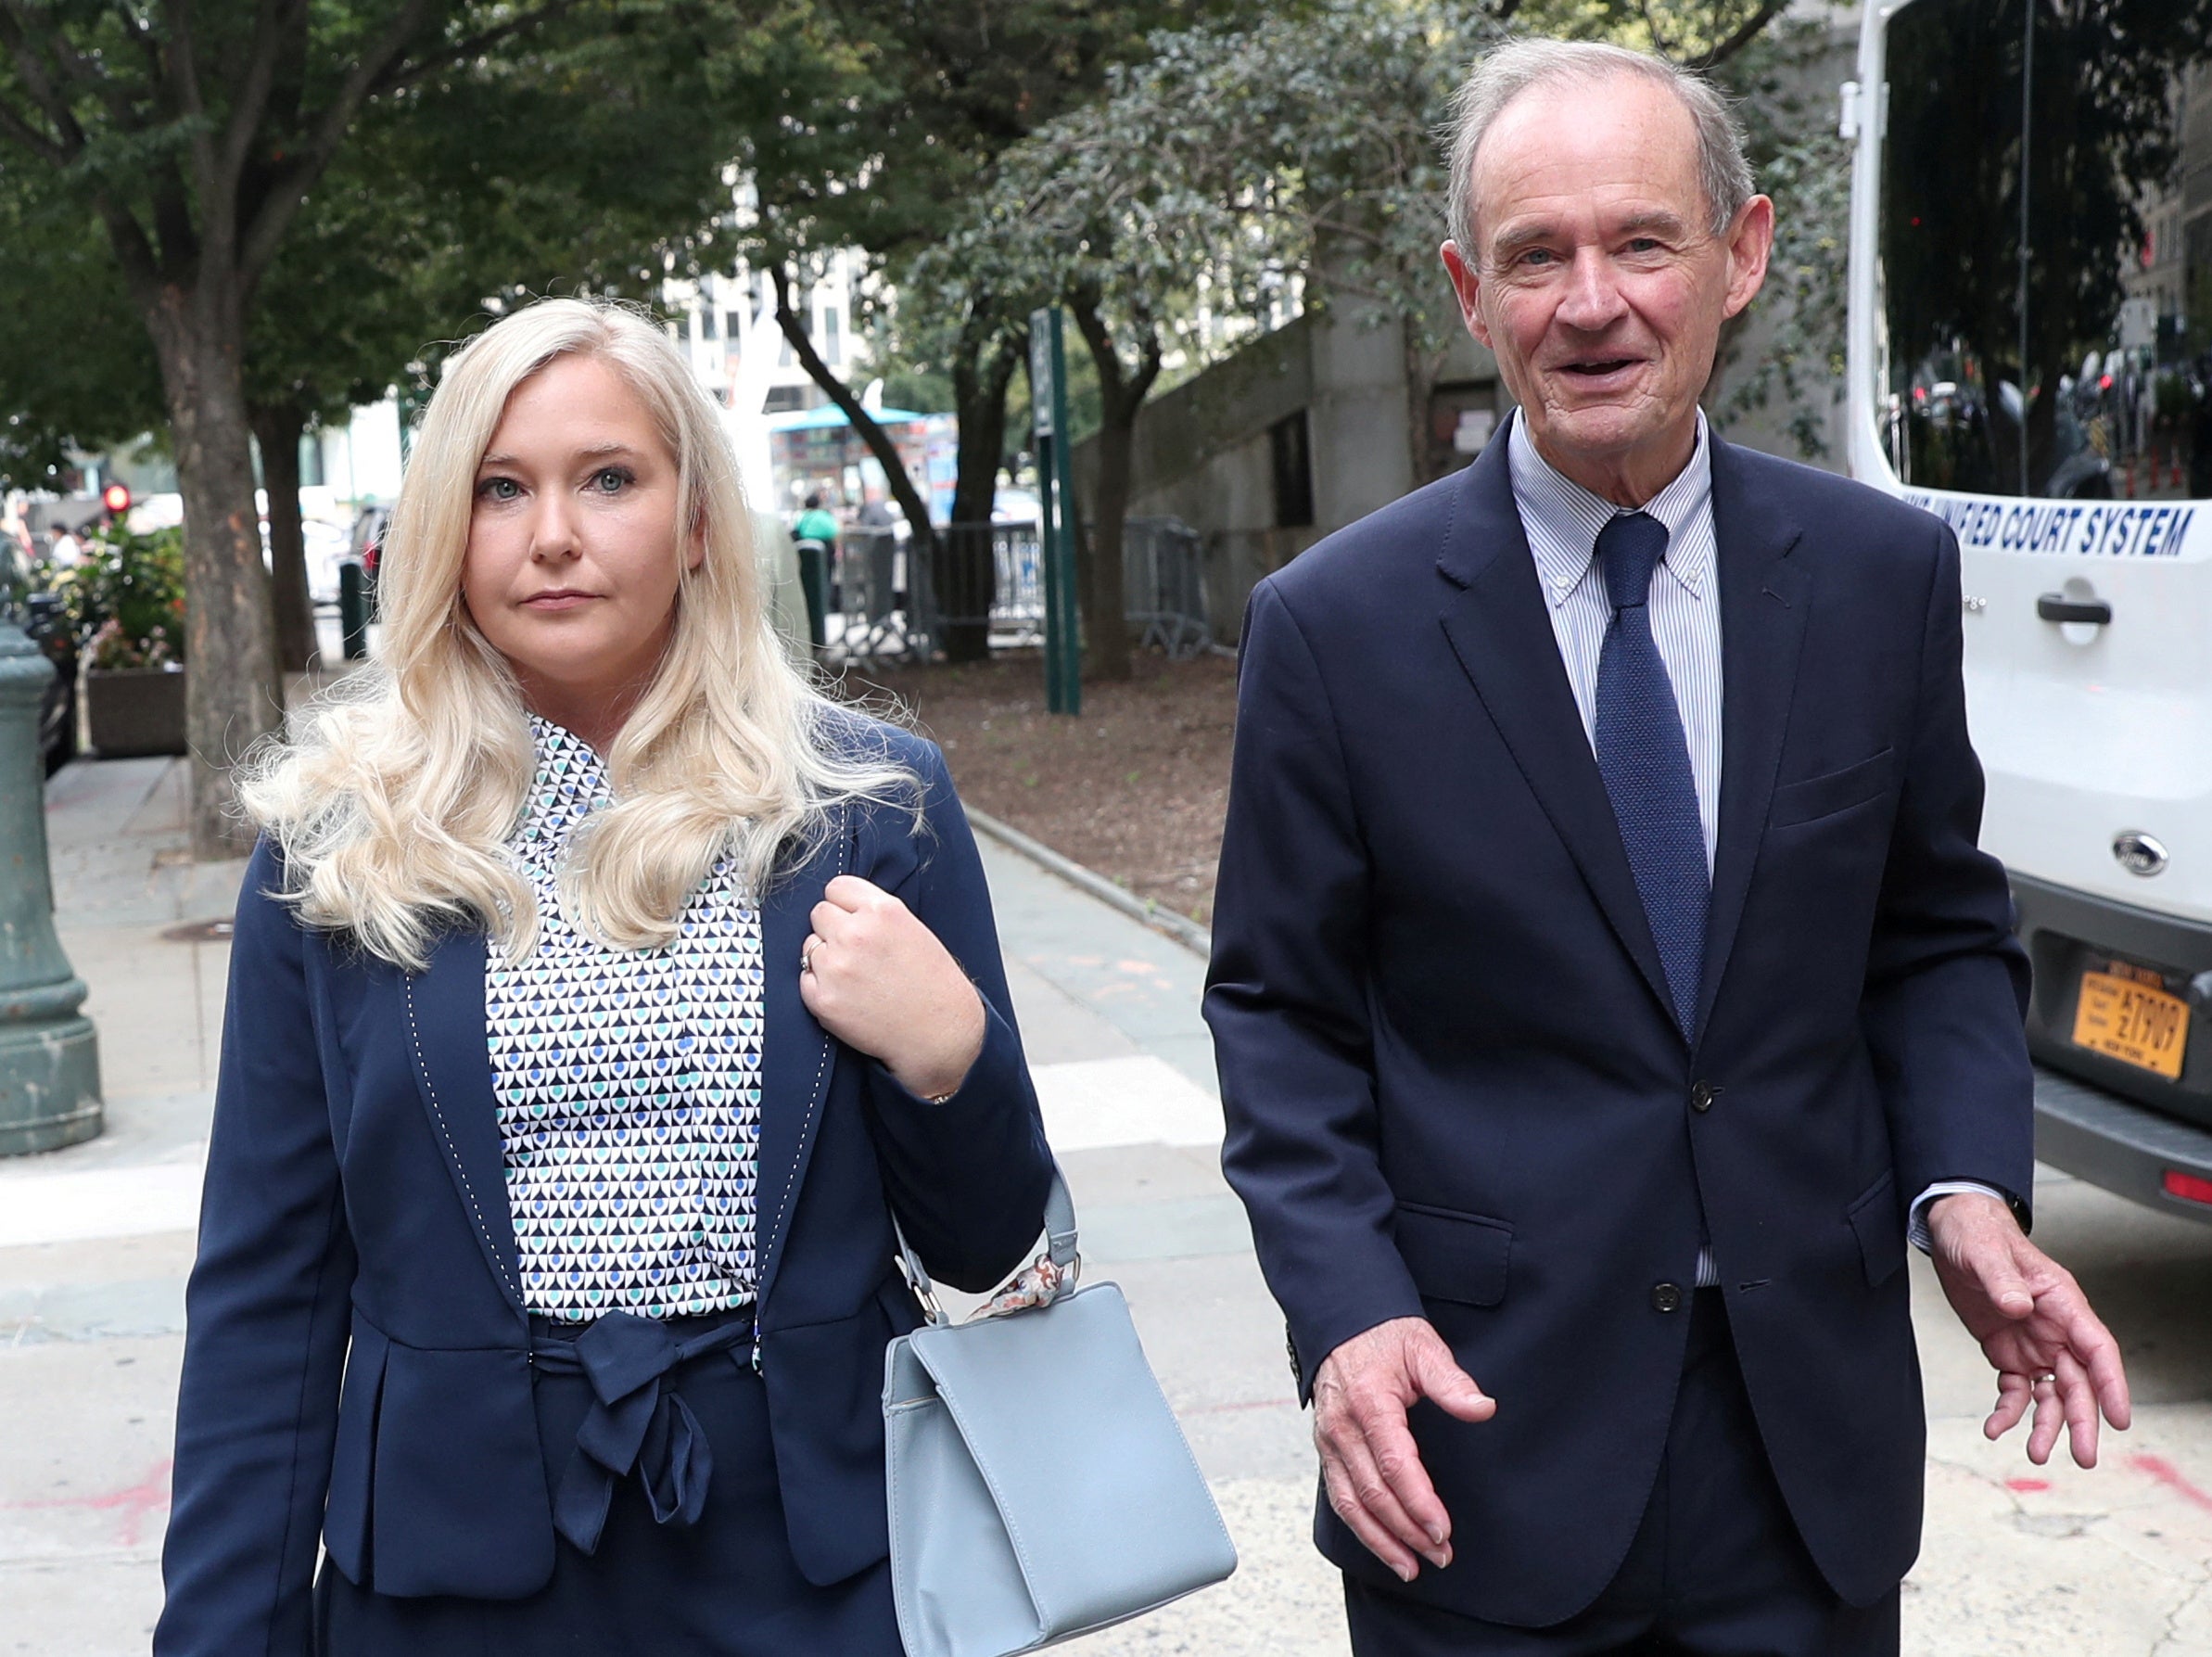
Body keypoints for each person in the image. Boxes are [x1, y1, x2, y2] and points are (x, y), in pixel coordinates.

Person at [1205, 39, 2131, 1657]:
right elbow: (1279, 1015)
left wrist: (1967, 1187)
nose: (1589, 302)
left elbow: (1929, 936)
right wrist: (1347, 1316)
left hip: (1804, 1453)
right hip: (1476, 1445)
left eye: (1640, 241)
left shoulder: (1877, 577)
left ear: (1741, 253)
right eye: (1532, 258)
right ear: (1465, 293)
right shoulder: (1332, 630)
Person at [153, 297, 1055, 1656]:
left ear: (697, 522)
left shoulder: (863, 809)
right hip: (453, 1579)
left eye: (610, 480)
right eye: (500, 488)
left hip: (815, 1564)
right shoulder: (340, 848)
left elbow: (994, 1252)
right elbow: (267, 1297)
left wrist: (949, 1059)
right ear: (446, 538)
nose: (553, 534)